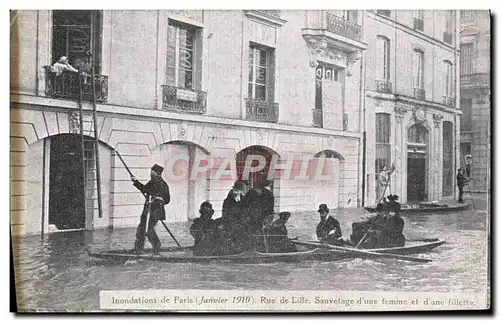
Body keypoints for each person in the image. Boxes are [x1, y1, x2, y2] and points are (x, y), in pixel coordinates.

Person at [131, 164, 170, 255]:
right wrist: (135, 181)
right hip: (148, 210)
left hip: (155, 210)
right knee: (141, 228)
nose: (150, 173)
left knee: (148, 229)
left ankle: (156, 246)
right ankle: (138, 249)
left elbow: (167, 199)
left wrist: (158, 199)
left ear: (156, 173)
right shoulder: (152, 182)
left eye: (152, 172)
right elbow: (145, 189)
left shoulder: (162, 184)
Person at [244, 180, 275, 251]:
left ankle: (261, 249)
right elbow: (245, 206)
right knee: (258, 235)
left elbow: (270, 209)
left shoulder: (267, 194)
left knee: (260, 235)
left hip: (259, 218)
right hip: (255, 219)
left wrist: (267, 218)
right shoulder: (251, 193)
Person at [221, 180, 250, 253]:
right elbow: (226, 213)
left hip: (241, 223)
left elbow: (245, 210)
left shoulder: (243, 198)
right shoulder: (228, 200)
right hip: (231, 223)